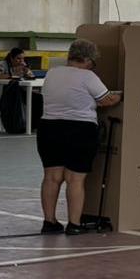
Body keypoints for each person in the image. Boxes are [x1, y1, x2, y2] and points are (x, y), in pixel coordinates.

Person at [36, 40, 121, 235]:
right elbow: (106, 99)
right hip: (80, 129)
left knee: (51, 177)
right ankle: (74, 224)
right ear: (88, 59)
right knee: (75, 179)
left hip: (49, 128)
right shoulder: (87, 76)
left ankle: (49, 222)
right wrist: (122, 95)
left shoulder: (53, 73)